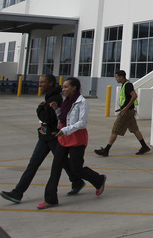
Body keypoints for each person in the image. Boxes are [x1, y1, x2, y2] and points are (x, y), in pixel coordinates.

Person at [0, 74, 84, 203]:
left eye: (43, 82)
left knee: (62, 163)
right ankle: (18, 192)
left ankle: (80, 181)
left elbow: (49, 118)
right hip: (45, 136)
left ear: (51, 83)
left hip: (54, 137)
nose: (40, 84)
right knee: (34, 164)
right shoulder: (50, 97)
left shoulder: (56, 98)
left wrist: (39, 109)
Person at [38, 77, 106, 209]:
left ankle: (98, 180)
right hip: (64, 138)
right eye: (63, 87)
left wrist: (65, 130)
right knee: (56, 168)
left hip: (76, 139)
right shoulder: (66, 102)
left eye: (66, 87)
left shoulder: (82, 102)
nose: (63, 89)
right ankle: (50, 199)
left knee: (76, 169)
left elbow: (82, 123)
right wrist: (57, 109)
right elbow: (64, 118)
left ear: (74, 88)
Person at [94, 70, 150, 156]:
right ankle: (144, 146)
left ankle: (106, 150)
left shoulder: (127, 85)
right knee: (135, 129)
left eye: (116, 77)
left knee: (115, 130)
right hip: (129, 111)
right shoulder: (125, 85)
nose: (116, 79)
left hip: (126, 112)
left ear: (121, 77)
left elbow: (134, 95)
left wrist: (126, 107)